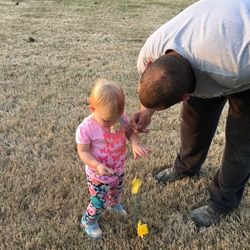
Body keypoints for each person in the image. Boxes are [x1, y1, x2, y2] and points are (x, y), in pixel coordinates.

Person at [131, 0, 250, 227]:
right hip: (215, 40)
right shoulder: (149, 52)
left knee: (241, 141)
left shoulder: (238, 66)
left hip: (241, 60)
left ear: (185, 95)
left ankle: (222, 202)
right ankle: (186, 166)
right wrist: (147, 109)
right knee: (194, 120)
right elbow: (158, 83)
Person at [76, 79, 149, 239]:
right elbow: (83, 152)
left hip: (117, 169)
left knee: (116, 192)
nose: (113, 124)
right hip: (98, 175)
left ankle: (113, 204)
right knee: (98, 202)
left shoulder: (119, 117)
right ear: (92, 109)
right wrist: (97, 165)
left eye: (116, 118)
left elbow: (130, 132)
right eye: (108, 121)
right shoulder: (86, 128)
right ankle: (88, 221)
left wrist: (135, 144)